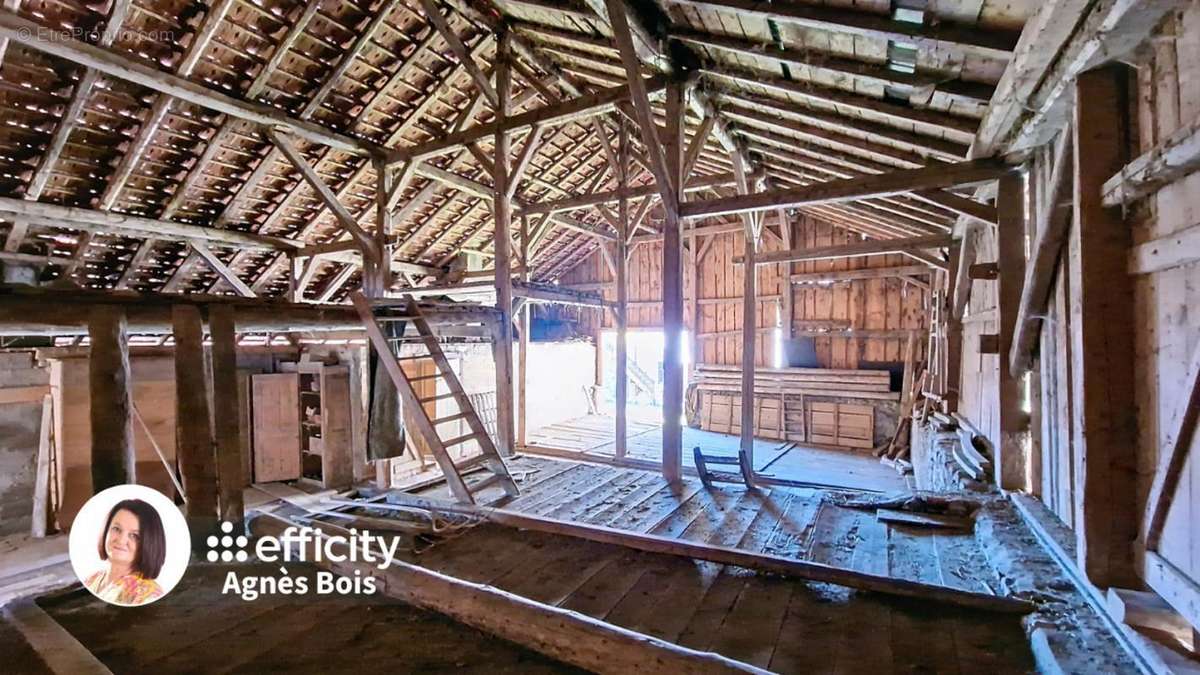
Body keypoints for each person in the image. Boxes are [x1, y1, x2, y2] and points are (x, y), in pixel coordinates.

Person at [84, 499, 167, 606]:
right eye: (116, 529)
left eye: (134, 536)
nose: (121, 540)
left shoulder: (149, 595)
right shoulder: (92, 579)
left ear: (150, 543)